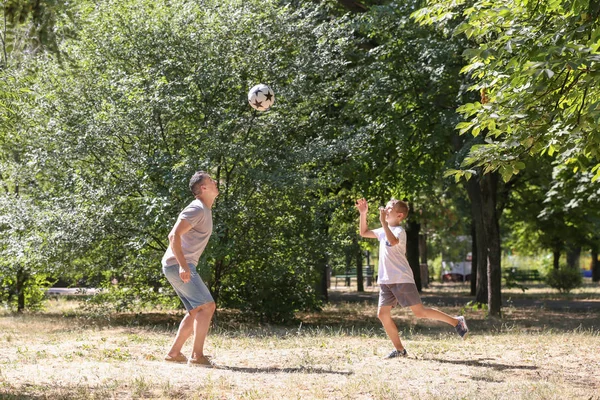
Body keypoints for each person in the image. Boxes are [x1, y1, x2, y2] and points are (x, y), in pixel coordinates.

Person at [355, 198, 469, 359]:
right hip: (386, 280)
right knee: (382, 314)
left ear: (399, 215)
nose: (385, 211)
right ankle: (400, 350)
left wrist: (383, 224)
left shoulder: (399, 231)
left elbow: (393, 241)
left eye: (389, 209)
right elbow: (363, 232)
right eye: (385, 208)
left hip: (402, 279)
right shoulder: (383, 230)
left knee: (420, 313)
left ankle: (457, 322)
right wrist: (363, 213)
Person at [162, 171, 219, 366]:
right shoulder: (196, 209)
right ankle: (197, 356)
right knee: (208, 306)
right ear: (203, 188)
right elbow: (173, 236)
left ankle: (174, 353)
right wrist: (183, 266)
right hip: (177, 264)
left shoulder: (204, 209)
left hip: (176, 264)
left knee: (196, 310)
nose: (216, 182)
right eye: (211, 181)